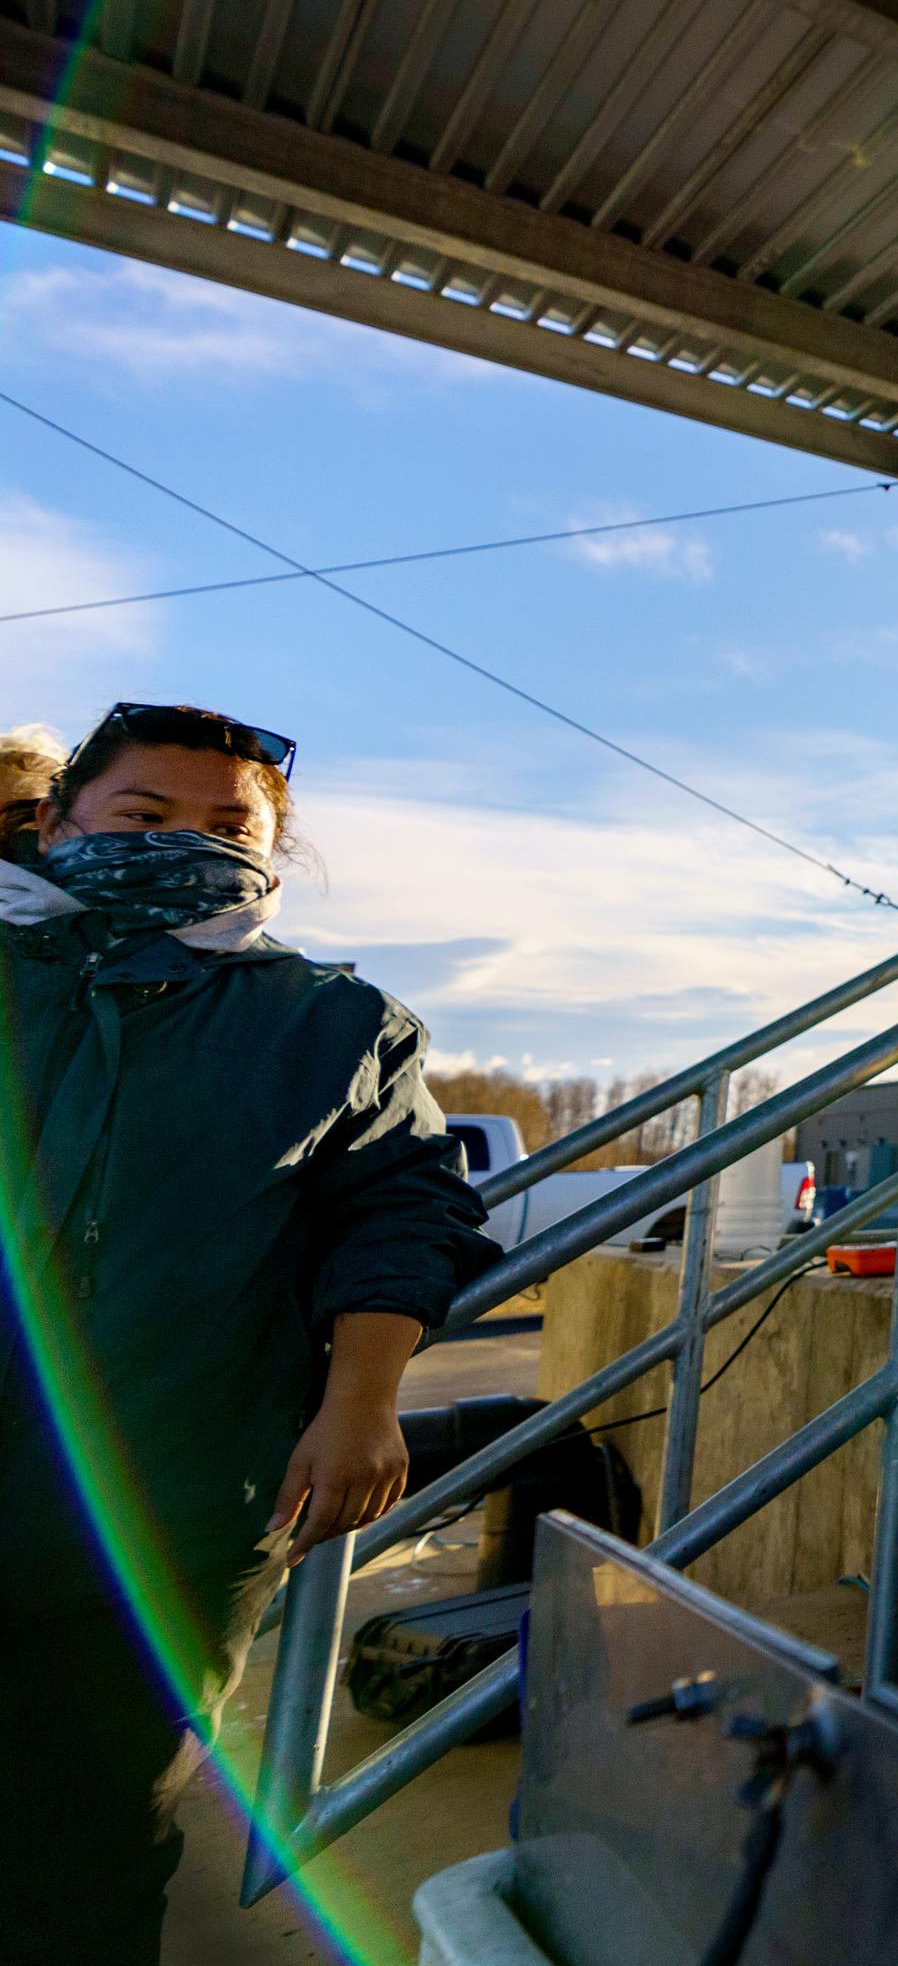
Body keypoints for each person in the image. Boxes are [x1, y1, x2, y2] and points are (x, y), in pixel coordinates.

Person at [0, 702, 498, 1964]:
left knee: (91, 1843)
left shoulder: (332, 1024)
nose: (190, 844)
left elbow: (405, 1208)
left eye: (232, 825)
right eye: (143, 815)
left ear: (275, 857)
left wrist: (362, 1398)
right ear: (58, 825)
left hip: (176, 1505)